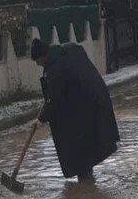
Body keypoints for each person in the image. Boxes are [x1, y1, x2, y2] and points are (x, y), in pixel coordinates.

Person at [31, 38, 120, 182]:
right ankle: (87, 181)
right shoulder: (70, 49)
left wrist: (40, 119)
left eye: (37, 60)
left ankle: (86, 188)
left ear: (43, 56)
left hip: (81, 108)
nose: (37, 64)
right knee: (88, 142)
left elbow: (54, 100)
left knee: (78, 145)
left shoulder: (54, 70)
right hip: (93, 100)